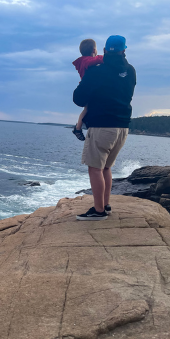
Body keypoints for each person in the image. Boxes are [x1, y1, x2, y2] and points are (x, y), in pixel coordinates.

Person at [72, 35, 136, 220]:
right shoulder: (131, 70)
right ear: (124, 50)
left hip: (101, 126)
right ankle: (105, 205)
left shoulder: (97, 71)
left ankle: (98, 211)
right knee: (106, 167)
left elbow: (78, 99)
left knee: (95, 168)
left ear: (105, 50)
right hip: (123, 127)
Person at [70, 39, 104, 140]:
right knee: (87, 109)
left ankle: (79, 127)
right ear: (94, 50)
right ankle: (77, 128)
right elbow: (96, 60)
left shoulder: (83, 61)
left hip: (87, 89)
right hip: (87, 90)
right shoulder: (85, 61)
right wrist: (107, 57)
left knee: (88, 109)